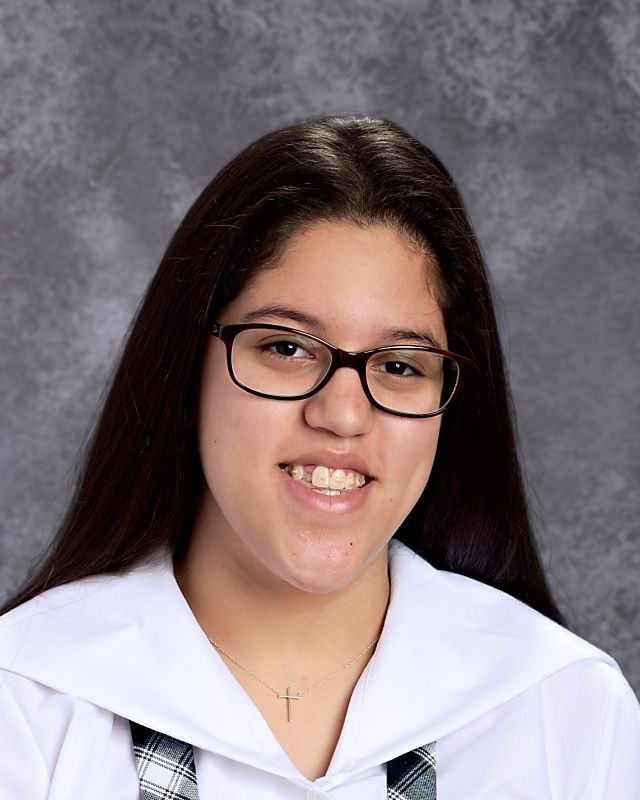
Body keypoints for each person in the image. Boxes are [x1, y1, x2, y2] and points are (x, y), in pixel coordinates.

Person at [0, 114, 638, 799]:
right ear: (187, 365)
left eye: (399, 365)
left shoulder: (565, 713)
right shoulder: (26, 704)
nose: (341, 415)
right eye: (285, 348)